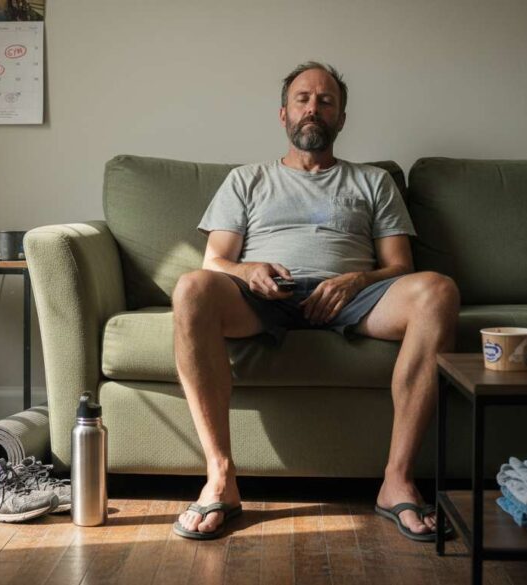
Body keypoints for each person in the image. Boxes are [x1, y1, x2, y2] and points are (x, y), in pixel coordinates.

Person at [171, 62, 460, 541]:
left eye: (326, 101)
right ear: (283, 114)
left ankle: (396, 481)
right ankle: (220, 479)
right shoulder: (247, 179)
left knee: (439, 291)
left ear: (342, 118)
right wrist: (248, 271)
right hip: (263, 297)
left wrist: (354, 281)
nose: (313, 108)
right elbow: (214, 261)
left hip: (356, 297)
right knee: (190, 288)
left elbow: (400, 267)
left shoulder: (373, 182)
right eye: (303, 99)